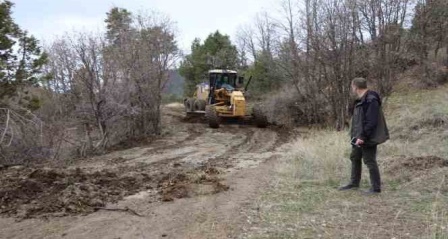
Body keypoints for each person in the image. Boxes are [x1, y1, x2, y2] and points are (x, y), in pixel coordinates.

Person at [339, 78, 389, 194]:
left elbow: (371, 121)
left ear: (355, 87)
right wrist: (356, 135)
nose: (352, 89)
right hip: (359, 136)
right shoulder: (361, 100)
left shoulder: (371, 100)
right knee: (355, 157)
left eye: (352, 86)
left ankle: (376, 188)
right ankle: (354, 183)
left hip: (367, 137)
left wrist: (362, 136)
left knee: (369, 160)